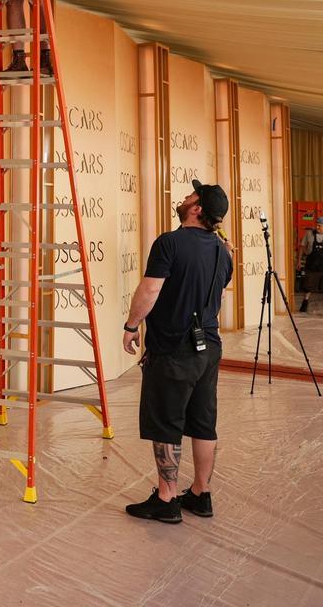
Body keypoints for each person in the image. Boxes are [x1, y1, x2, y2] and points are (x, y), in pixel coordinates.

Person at [120, 180, 232, 523]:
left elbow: (151, 289)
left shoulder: (169, 243)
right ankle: (200, 494)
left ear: (197, 209)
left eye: (191, 196)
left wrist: (130, 325)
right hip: (209, 347)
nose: (184, 197)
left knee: (166, 422)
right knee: (202, 421)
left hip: (173, 347)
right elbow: (220, 289)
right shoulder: (223, 250)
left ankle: (167, 498)